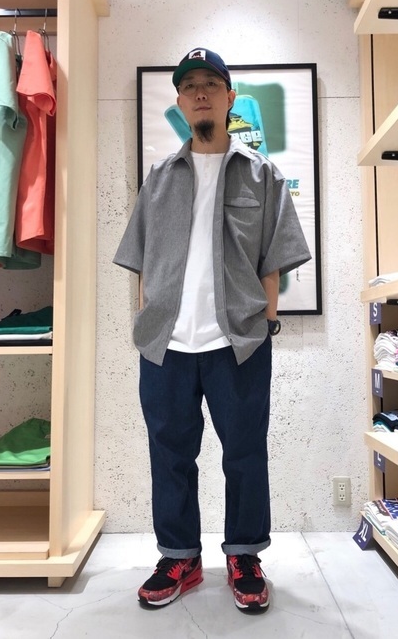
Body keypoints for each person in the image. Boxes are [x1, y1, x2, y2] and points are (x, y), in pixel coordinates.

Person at [113, 47, 311, 613]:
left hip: (237, 343)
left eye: (211, 83)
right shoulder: (159, 179)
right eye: (189, 85)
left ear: (229, 97)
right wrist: (148, 320)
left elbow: (273, 260)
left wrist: (265, 322)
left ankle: (244, 555)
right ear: (179, 101)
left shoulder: (262, 175)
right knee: (169, 454)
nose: (200, 92)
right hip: (167, 345)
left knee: (245, 453)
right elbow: (143, 261)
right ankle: (180, 556)